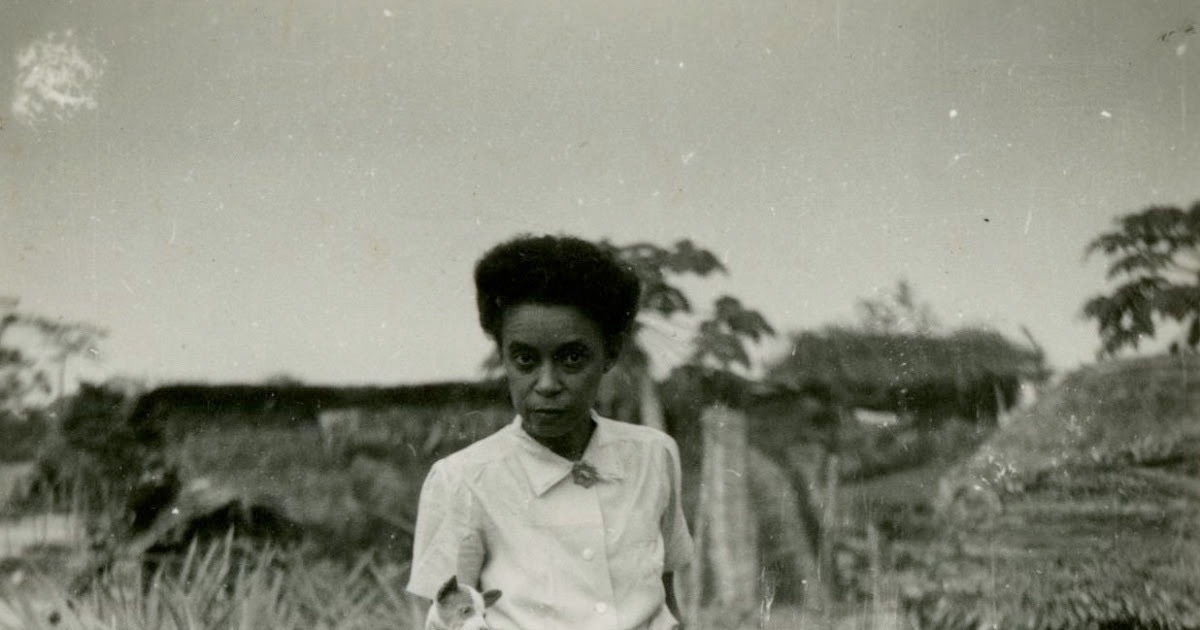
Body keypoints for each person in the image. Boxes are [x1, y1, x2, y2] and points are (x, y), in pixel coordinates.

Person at [407, 234, 694, 630]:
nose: (546, 384)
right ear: (503, 356)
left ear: (610, 353)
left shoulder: (653, 455)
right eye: (525, 359)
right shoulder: (462, 481)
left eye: (572, 358)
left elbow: (666, 597)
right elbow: (443, 620)